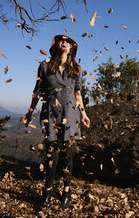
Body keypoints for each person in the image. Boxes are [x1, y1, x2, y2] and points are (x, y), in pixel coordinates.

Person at [21, 35, 90, 209]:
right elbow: (37, 92)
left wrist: (84, 114)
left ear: (72, 48)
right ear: (56, 45)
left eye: (68, 41)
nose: (64, 42)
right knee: (52, 154)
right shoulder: (44, 66)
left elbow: (78, 94)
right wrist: (30, 112)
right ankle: (47, 192)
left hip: (71, 115)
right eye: (61, 40)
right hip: (50, 114)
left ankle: (66, 193)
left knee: (67, 154)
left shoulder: (76, 68)